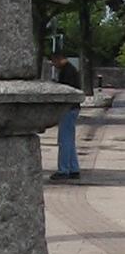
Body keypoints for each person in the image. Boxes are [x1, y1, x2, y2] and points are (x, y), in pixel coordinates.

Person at [49, 51, 81, 182]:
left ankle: (64, 169)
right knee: (69, 139)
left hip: (67, 108)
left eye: (54, 61)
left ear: (59, 59)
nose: (53, 65)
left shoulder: (66, 71)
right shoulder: (71, 70)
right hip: (73, 108)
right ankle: (74, 168)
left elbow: (65, 89)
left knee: (64, 140)